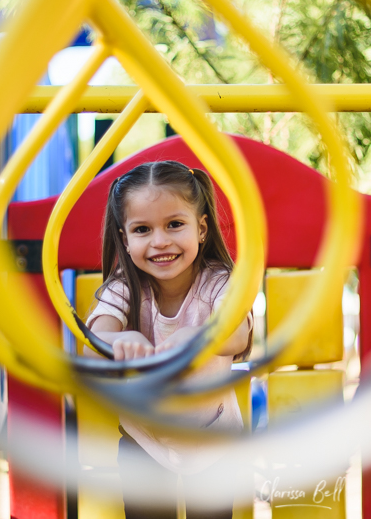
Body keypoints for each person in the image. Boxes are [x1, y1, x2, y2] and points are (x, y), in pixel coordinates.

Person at [85, 160, 252, 519]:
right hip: (144, 439)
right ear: (125, 239)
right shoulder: (124, 287)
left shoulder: (220, 282)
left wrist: (202, 335)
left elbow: (237, 333)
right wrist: (121, 339)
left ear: (202, 228)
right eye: (143, 229)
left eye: (174, 224)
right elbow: (93, 345)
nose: (160, 241)